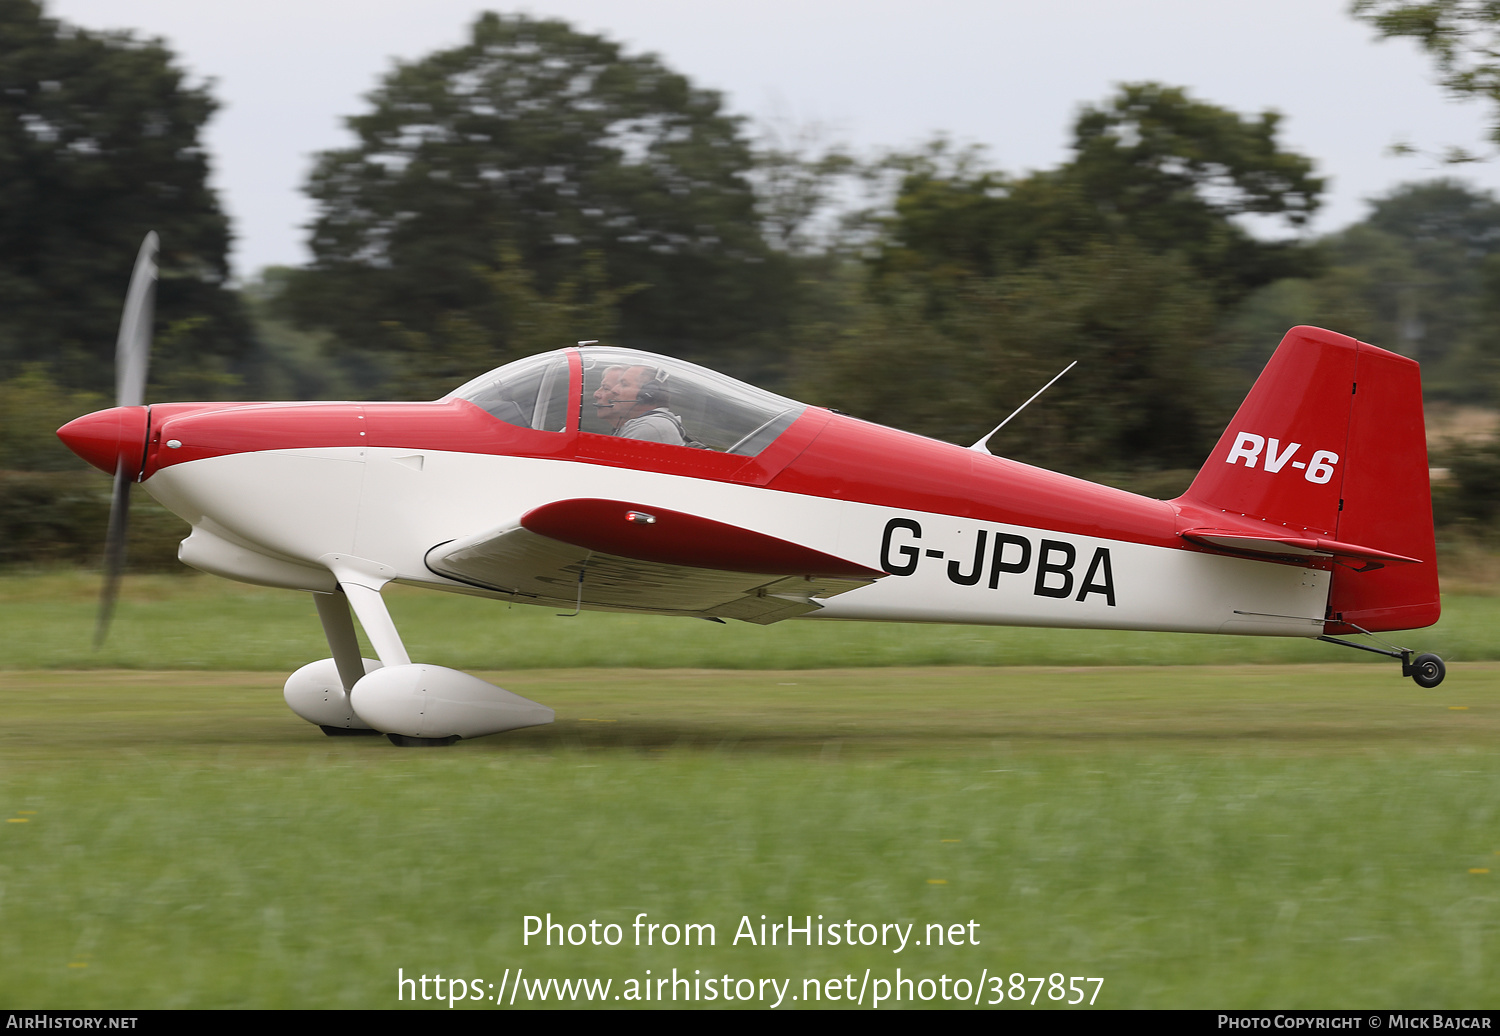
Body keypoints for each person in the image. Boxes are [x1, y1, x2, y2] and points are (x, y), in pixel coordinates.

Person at [594, 364, 689, 445]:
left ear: (647, 395)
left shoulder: (649, 427)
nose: (614, 390)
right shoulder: (644, 424)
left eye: (624, 384)